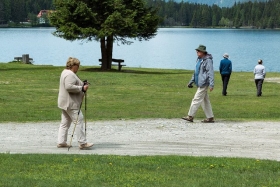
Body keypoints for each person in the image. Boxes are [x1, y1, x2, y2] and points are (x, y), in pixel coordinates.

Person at [57, 57, 94, 149]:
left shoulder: (65, 72)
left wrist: (82, 84)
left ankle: (61, 142)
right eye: (77, 66)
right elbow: (69, 87)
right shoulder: (70, 74)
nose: (78, 68)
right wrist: (81, 88)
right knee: (78, 120)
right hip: (71, 103)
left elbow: (72, 84)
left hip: (64, 102)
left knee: (65, 123)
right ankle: (82, 143)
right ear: (73, 66)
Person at [182, 44, 215, 123]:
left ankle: (190, 116)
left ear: (203, 52)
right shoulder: (199, 60)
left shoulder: (208, 60)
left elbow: (210, 72)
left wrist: (211, 84)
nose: (197, 52)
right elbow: (196, 72)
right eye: (197, 51)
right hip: (199, 82)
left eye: (198, 51)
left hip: (203, 83)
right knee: (204, 101)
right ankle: (210, 117)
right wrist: (191, 81)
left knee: (196, 99)